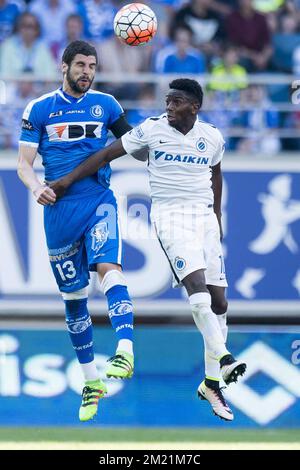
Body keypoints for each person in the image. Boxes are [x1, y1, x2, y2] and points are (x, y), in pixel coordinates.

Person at [49, 78, 247, 422]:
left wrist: (216, 216)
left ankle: (211, 383)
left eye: (175, 102)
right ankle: (226, 359)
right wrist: (67, 180)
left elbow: (216, 174)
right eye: (167, 101)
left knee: (219, 303)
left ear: (194, 107)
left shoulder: (212, 136)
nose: (168, 107)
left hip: (204, 221)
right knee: (197, 291)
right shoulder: (151, 130)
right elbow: (107, 153)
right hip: (170, 217)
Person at [17, 40, 137, 422]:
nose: (88, 71)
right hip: (58, 210)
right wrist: (37, 188)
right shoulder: (39, 109)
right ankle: (91, 382)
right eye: (81, 65)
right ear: (63, 67)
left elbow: (134, 144)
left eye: (92, 66)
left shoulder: (108, 106)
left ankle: (125, 349)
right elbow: (23, 163)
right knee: (73, 299)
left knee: (109, 269)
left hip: (99, 199)